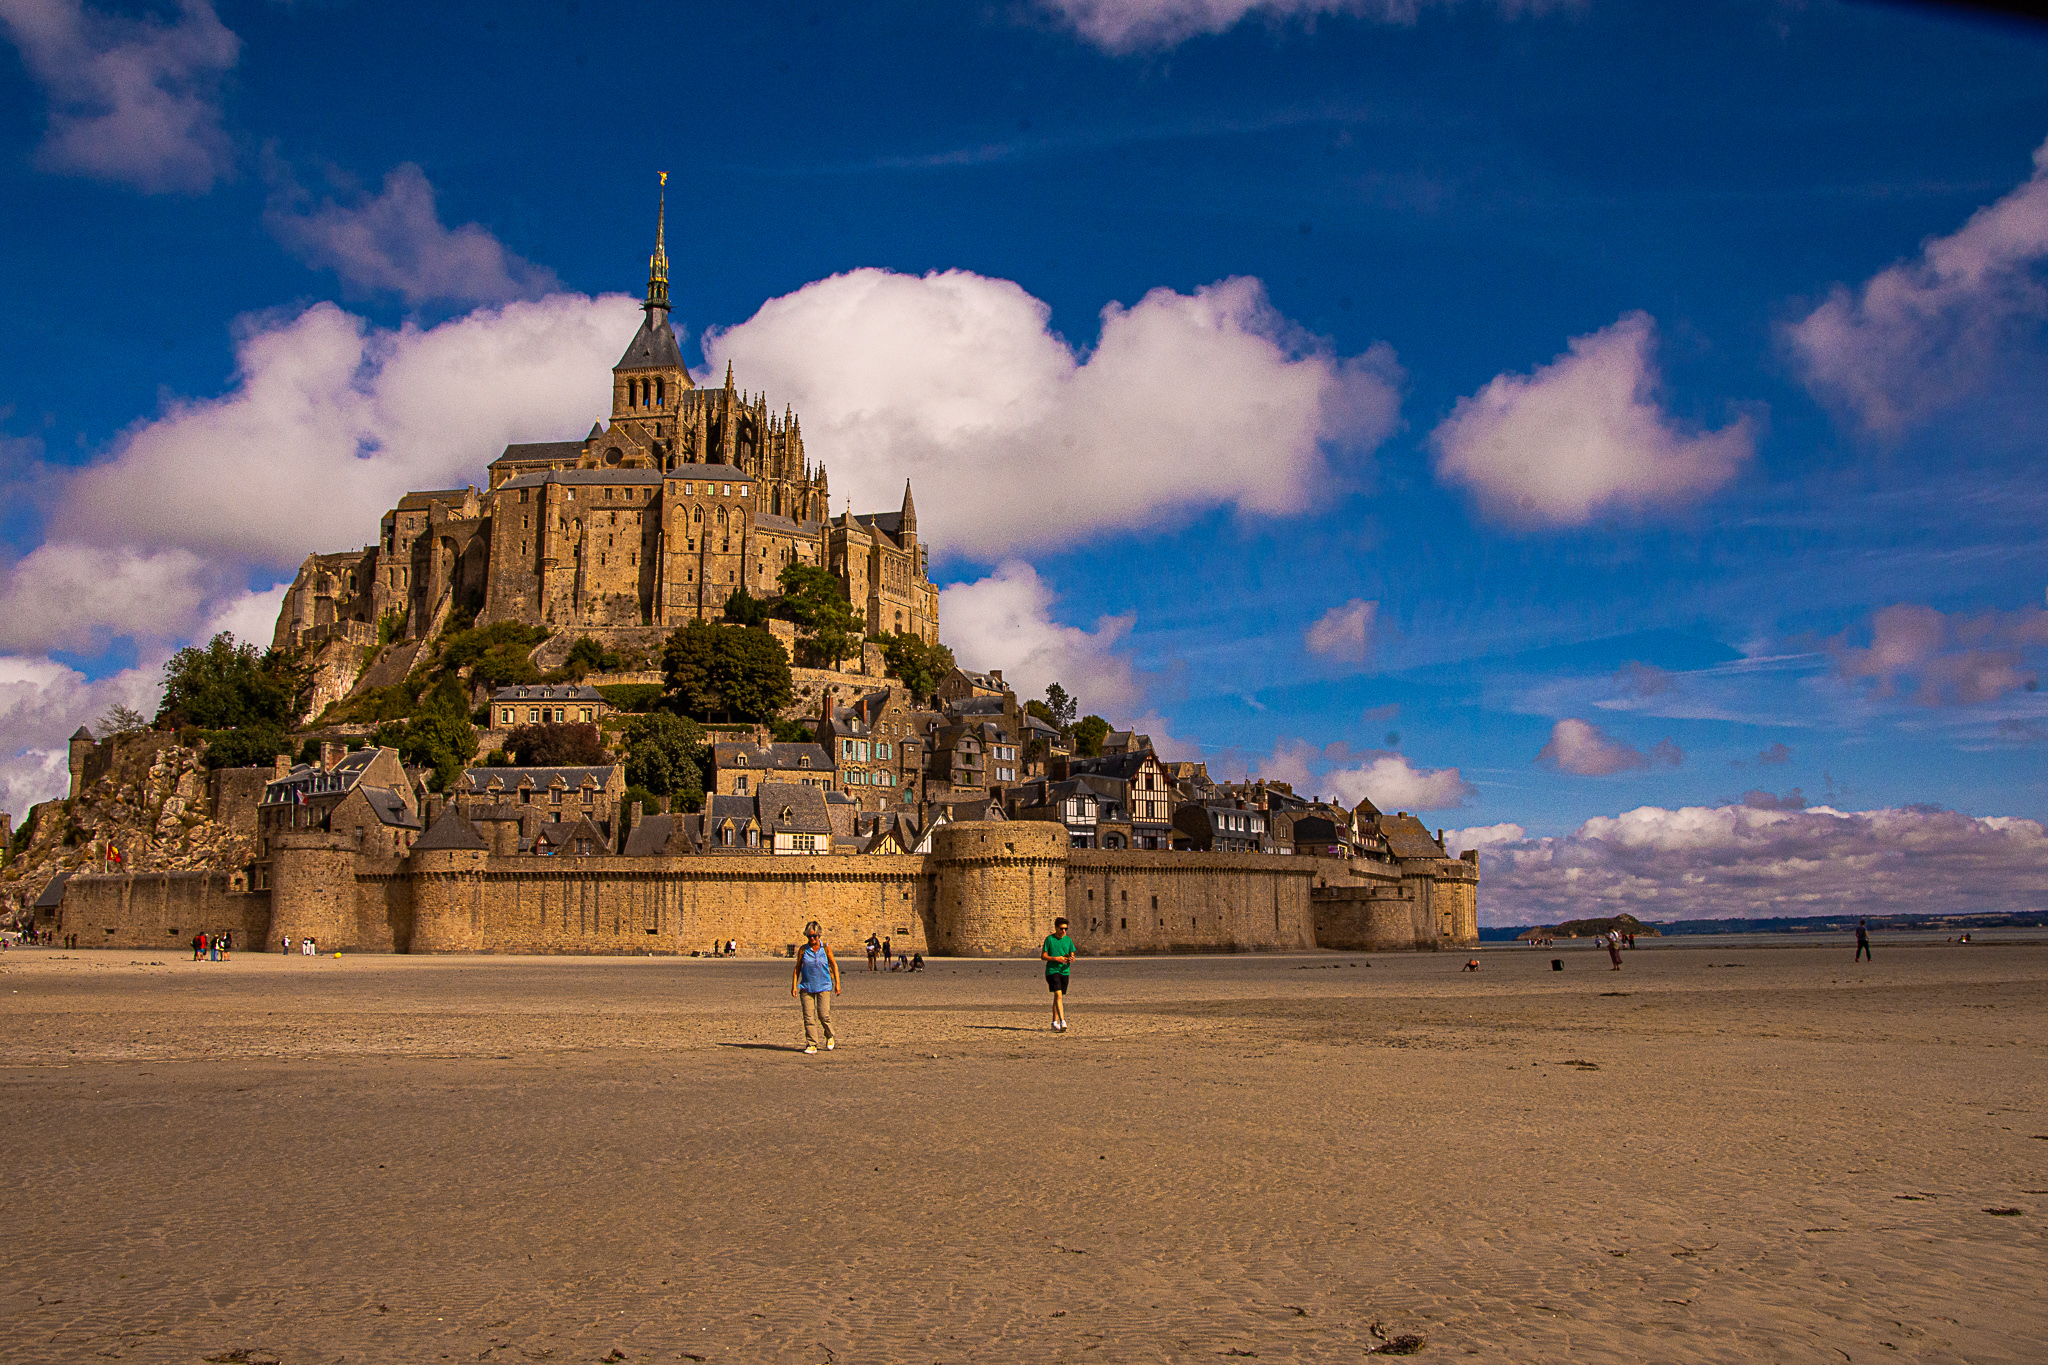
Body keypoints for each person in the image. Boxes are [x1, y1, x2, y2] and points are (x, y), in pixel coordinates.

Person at [791, 921, 840, 1054]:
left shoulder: (825, 948)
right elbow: (797, 968)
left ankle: (829, 1035)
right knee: (808, 1017)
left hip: (824, 985)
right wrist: (794, 986)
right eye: (809, 936)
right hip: (807, 987)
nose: (812, 939)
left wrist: (838, 984)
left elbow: (834, 965)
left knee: (823, 1014)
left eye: (814, 936)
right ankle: (812, 1044)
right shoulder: (803, 949)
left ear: (819, 935)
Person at [1042, 916, 1075, 1032]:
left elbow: (1072, 955)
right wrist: (1056, 959)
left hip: (1065, 971)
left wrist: (1071, 958)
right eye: (1061, 929)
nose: (1064, 931)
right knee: (1058, 994)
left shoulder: (1068, 940)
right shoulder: (1049, 939)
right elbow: (1043, 956)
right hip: (1052, 971)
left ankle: (1054, 1022)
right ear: (1056, 928)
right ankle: (1063, 1021)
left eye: (1066, 929)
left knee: (1058, 997)